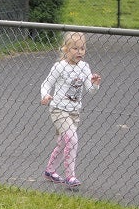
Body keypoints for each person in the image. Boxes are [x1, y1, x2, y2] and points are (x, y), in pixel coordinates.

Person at [40, 32, 101, 188]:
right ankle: (70, 177)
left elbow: (91, 90)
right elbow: (46, 84)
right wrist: (46, 95)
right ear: (66, 49)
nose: (79, 51)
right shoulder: (59, 67)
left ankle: (50, 171)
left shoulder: (84, 67)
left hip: (74, 111)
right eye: (75, 48)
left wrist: (94, 83)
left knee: (63, 143)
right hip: (58, 110)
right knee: (72, 140)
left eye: (82, 48)